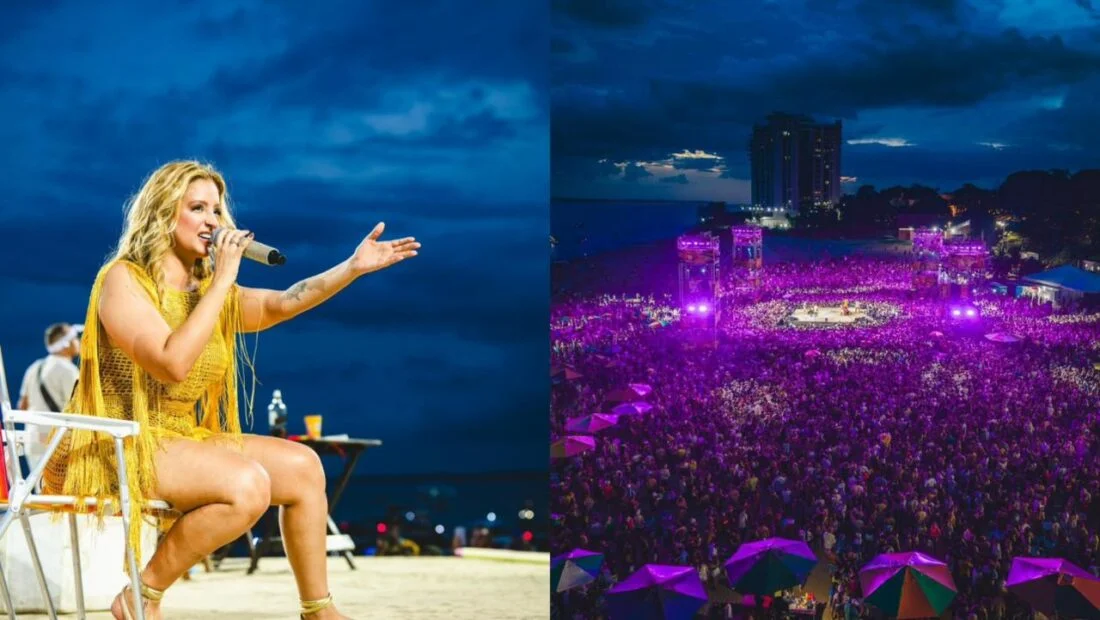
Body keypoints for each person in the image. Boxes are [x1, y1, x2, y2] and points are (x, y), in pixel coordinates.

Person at [43, 160, 420, 620]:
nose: (212, 222)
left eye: (217, 211)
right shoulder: (124, 280)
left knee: (303, 467)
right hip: (116, 441)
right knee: (246, 484)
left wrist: (352, 268)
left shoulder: (207, 292)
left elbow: (285, 300)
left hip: (178, 434)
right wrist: (224, 279)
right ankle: (142, 595)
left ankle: (318, 611)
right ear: (163, 213)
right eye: (198, 208)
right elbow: (170, 363)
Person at [18, 323, 82, 468]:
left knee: (40, 490)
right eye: (75, 338)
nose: (78, 341)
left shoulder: (34, 367)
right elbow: (78, 407)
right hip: (57, 444)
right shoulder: (68, 370)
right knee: (60, 491)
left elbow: (22, 407)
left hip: (33, 441)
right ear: (66, 344)